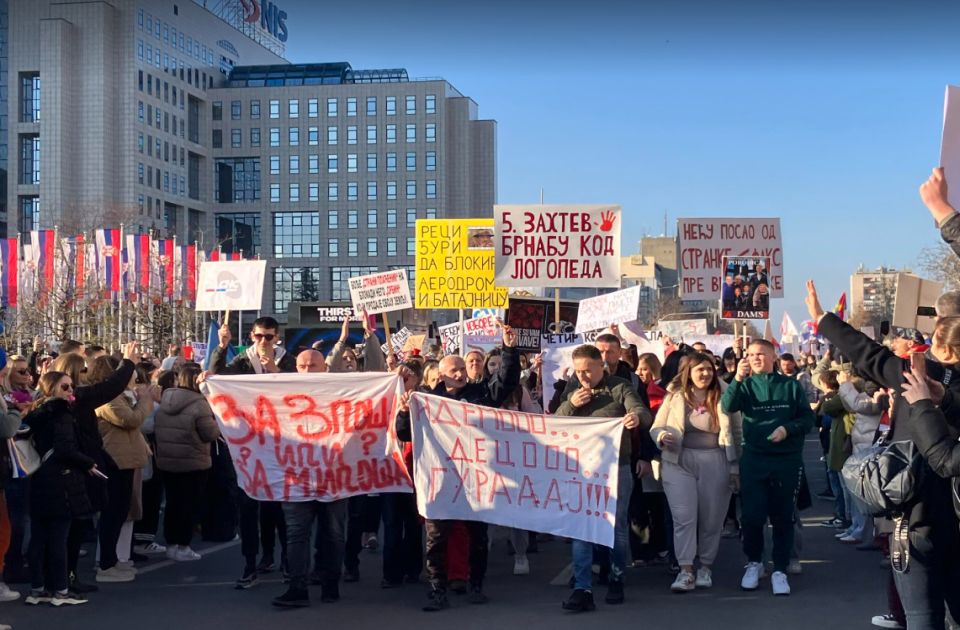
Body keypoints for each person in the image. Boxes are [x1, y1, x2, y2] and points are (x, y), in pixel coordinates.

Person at [808, 279, 960, 629]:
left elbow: (868, 354)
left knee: (923, 618)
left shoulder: (919, 376)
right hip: (946, 517)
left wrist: (822, 318)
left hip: (916, 516)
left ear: (946, 349)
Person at [394, 324, 521, 612]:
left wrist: (510, 350)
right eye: (455, 371)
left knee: (478, 535)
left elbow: (507, 382)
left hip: (475, 477)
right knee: (436, 537)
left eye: (463, 369)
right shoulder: (426, 399)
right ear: (441, 375)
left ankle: (476, 584)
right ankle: (438, 589)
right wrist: (404, 413)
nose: (462, 374)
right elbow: (404, 434)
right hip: (441, 479)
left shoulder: (481, 393)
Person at [556, 344, 651, 612]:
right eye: (578, 371)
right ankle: (582, 588)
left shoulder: (619, 387)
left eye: (588, 370)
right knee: (581, 528)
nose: (583, 376)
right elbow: (555, 421)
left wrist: (634, 418)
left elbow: (643, 413)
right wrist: (570, 404)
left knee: (616, 526)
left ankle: (616, 578)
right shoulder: (572, 389)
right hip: (581, 469)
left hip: (615, 468)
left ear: (602, 366)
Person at [721, 339, 815, 596]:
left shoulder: (791, 386)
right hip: (754, 459)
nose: (755, 359)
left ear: (773, 357)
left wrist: (788, 429)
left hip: (786, 460)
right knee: (751, 516)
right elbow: (727, 407)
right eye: (751, 355)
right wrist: (738, 379)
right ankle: (754, 562)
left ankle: (780, 569)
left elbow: (807, 419)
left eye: (761, 354)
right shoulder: (746, 385)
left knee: (784, 517)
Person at [208, 316, 295, 589]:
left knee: (280, 509)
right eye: (258, 336)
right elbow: (217, 376)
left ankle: (286, 561)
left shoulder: (287, 360)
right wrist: (222, 346)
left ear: (276, 337)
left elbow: (298, 392)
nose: (263, 342)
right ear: (252, 336)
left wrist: (274, 374)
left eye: (268, 337)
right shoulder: (243, 361)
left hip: (281, 445)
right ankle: (250, 563)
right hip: (250, 447)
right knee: (249, 507)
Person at [53, 341, 139, 594]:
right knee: (71, 528)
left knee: (76, 525)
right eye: (83, 372)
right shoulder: (73, 398)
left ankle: (67, 577)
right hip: (74, 467)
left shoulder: (73, 398)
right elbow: (110, 388)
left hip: (84, 462)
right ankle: (64, 580)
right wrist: (128, 362)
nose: (88, 376)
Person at [651, 352, 742, 592]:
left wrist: (736, 467)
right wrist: (661, 436)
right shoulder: (674, 396)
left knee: (712, 519)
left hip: (716, 460)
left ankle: (706, 567)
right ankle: (685, 570)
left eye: (709, 369)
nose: (705, 374)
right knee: (684, 518)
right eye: (700, 369)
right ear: (688, 373)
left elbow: (738, 431)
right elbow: (656, 426)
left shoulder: (726, 394)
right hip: (678, 462)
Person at [272, 349, 348, 608]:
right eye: (302, 366)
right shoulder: (283, 396)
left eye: (313, 365)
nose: (307, 370)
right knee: (296, 534)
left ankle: (330, 584)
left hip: (334, 477)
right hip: (296, 478)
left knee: (334, 535)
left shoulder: (339, 391)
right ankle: (297, 587)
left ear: (324, 367)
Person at [24, 371, 96, 607]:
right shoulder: (62, 414)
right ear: (51, 388)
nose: (70, 391)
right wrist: (87, 463)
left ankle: (38, 589)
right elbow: (65, 449)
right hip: (60, 479)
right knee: (58, 538)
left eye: (71, 387)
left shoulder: (36, 413)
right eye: (65, 387)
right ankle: (61, 591)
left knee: (38, 537)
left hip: (38, 478)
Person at [89, 356, 156, 583]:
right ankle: (106, 564)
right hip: (115, 460)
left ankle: (115, 559)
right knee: (112, 513)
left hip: (126, 459)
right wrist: (145, 402)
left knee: (120, 512)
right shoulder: (107, 399)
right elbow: (129, 419)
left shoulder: (120, 396)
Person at [154, 363, 219, 561]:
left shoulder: (165, 398)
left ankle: (171, 543)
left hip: (167, 460)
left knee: (173, 504)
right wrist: (218, 423)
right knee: (189, 505)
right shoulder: (199, 403)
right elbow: (209, 433)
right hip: (193, 461)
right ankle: (183, 544)